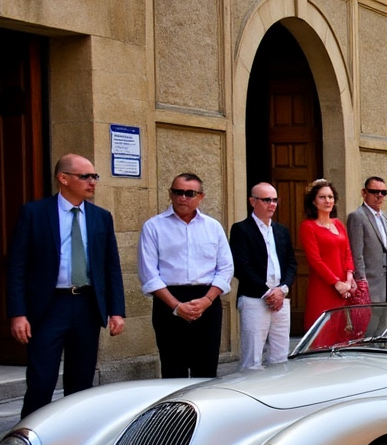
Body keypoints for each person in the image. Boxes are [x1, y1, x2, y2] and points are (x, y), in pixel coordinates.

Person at [7, 153, 125, 417]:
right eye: (85, 176)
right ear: (63, 179)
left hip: (87, 305)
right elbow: (17, 267)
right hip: (48, 307)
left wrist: (117, 310)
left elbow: (111, 267)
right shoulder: (34, 213)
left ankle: (74, 439)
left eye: (95, 176)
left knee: (81, 383)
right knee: (41, 381)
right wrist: (18, 313)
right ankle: (28, 444)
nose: (93, 182)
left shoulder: (100, 217)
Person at [138, 172, 234, 378]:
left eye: (189, 193)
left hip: (207, 302)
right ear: (170, 194)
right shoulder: (153, 227)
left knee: (206, 369)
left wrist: (207, 300)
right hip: (169, 302)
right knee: (173, 368)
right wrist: (176, 306)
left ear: (201, 197)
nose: (183, 198)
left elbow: (226, 268)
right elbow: (149, 273)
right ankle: (177, 411)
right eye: (177, 192)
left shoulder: (213, 227)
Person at [230, 182, 297, 370]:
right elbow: (241, 267)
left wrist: (282, 290)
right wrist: (267, 293)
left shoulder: (281, 230)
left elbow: (291, 263)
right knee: (252, 360)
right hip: (255, 299)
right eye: (267, 199)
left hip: (281, 298)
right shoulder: (241, 229)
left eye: (275, 200)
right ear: (253, 201)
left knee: (280, 357)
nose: (272, 204)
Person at [298, 179, 356, 330]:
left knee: (341, 332)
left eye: (330, 197)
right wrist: (336, 283)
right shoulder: (308, 227)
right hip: (323, 287)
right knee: (322, 331)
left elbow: (348, 253)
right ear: (313, 201)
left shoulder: (338, 224)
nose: (327, 201)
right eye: (322, 197)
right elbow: (315, 260)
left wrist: (349, 280)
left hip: (344, 288)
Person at [346, 176, 387, 303]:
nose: (379, 196)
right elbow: (357, 254)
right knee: (370, 323)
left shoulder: (386, 217)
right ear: (364, 193)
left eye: (383, 193)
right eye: (374, 192)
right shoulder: (357, 216)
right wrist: (361, 282)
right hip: (369, 287)